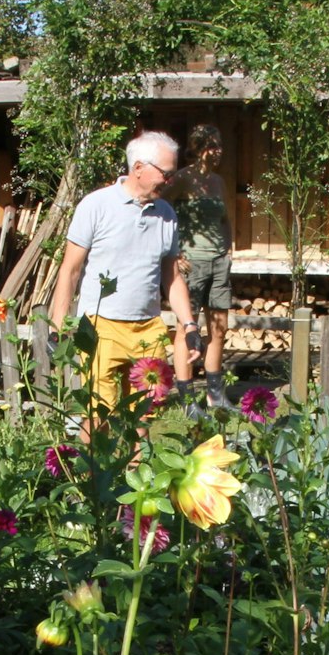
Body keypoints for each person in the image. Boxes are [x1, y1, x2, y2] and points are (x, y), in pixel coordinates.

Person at [50, 131, 198, 436]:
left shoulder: (166, 214)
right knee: (98, 416)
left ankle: (136, 467)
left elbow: (171, 276)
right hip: (100, 326)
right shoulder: (96, 205)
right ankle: (94, 469)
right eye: (166, 173)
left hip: (148, 328)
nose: (170, 180)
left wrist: (190, 325)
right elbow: (70, 270)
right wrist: (58, 326)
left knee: (143, 416)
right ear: (139, 167)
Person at [168, 123, 233, 407]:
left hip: (218, 263)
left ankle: (215, 395)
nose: (217, 151)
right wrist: (174, 253)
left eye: (220, 145)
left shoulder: (218, 182)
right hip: (191, 264)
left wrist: (228, 250)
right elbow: (162, 213)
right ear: (197, 149)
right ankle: (187, 399)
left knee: (219, 328)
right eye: (211, 146)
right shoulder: (182, 179)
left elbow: (225, 219)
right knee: (187, 329)